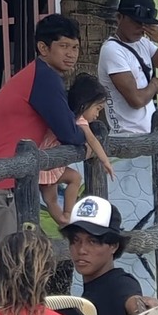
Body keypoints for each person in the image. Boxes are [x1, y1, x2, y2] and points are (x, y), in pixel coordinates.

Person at [0, 15, 88, 241]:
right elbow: (70, 134)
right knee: (8, 257)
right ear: (43, 48)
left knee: (20, 255)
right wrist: (89, 134)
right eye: (64, 46)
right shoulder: (44, 78)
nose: (71, 54)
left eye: (75, 47)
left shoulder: (37, 74)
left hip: (3, 182)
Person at [97, 0, 158, 137]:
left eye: (145, 24)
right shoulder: (112, 50)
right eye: (136, 22)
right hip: (126, 134)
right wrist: (154, 85)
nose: (141, 28)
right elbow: (136, 100)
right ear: (119, 18)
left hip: (149, 132)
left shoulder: (143, 44)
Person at [38, 75, 113, 229]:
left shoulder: (67, 114)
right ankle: (67, 216)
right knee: (71, 181)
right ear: (85, 104)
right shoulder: (78, 120)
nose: (97, 115)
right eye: (97, 109)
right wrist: (105, 160)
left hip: (47, 160)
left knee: (52, 198)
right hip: (48, 163)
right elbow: (92, 140)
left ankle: (65, 221)